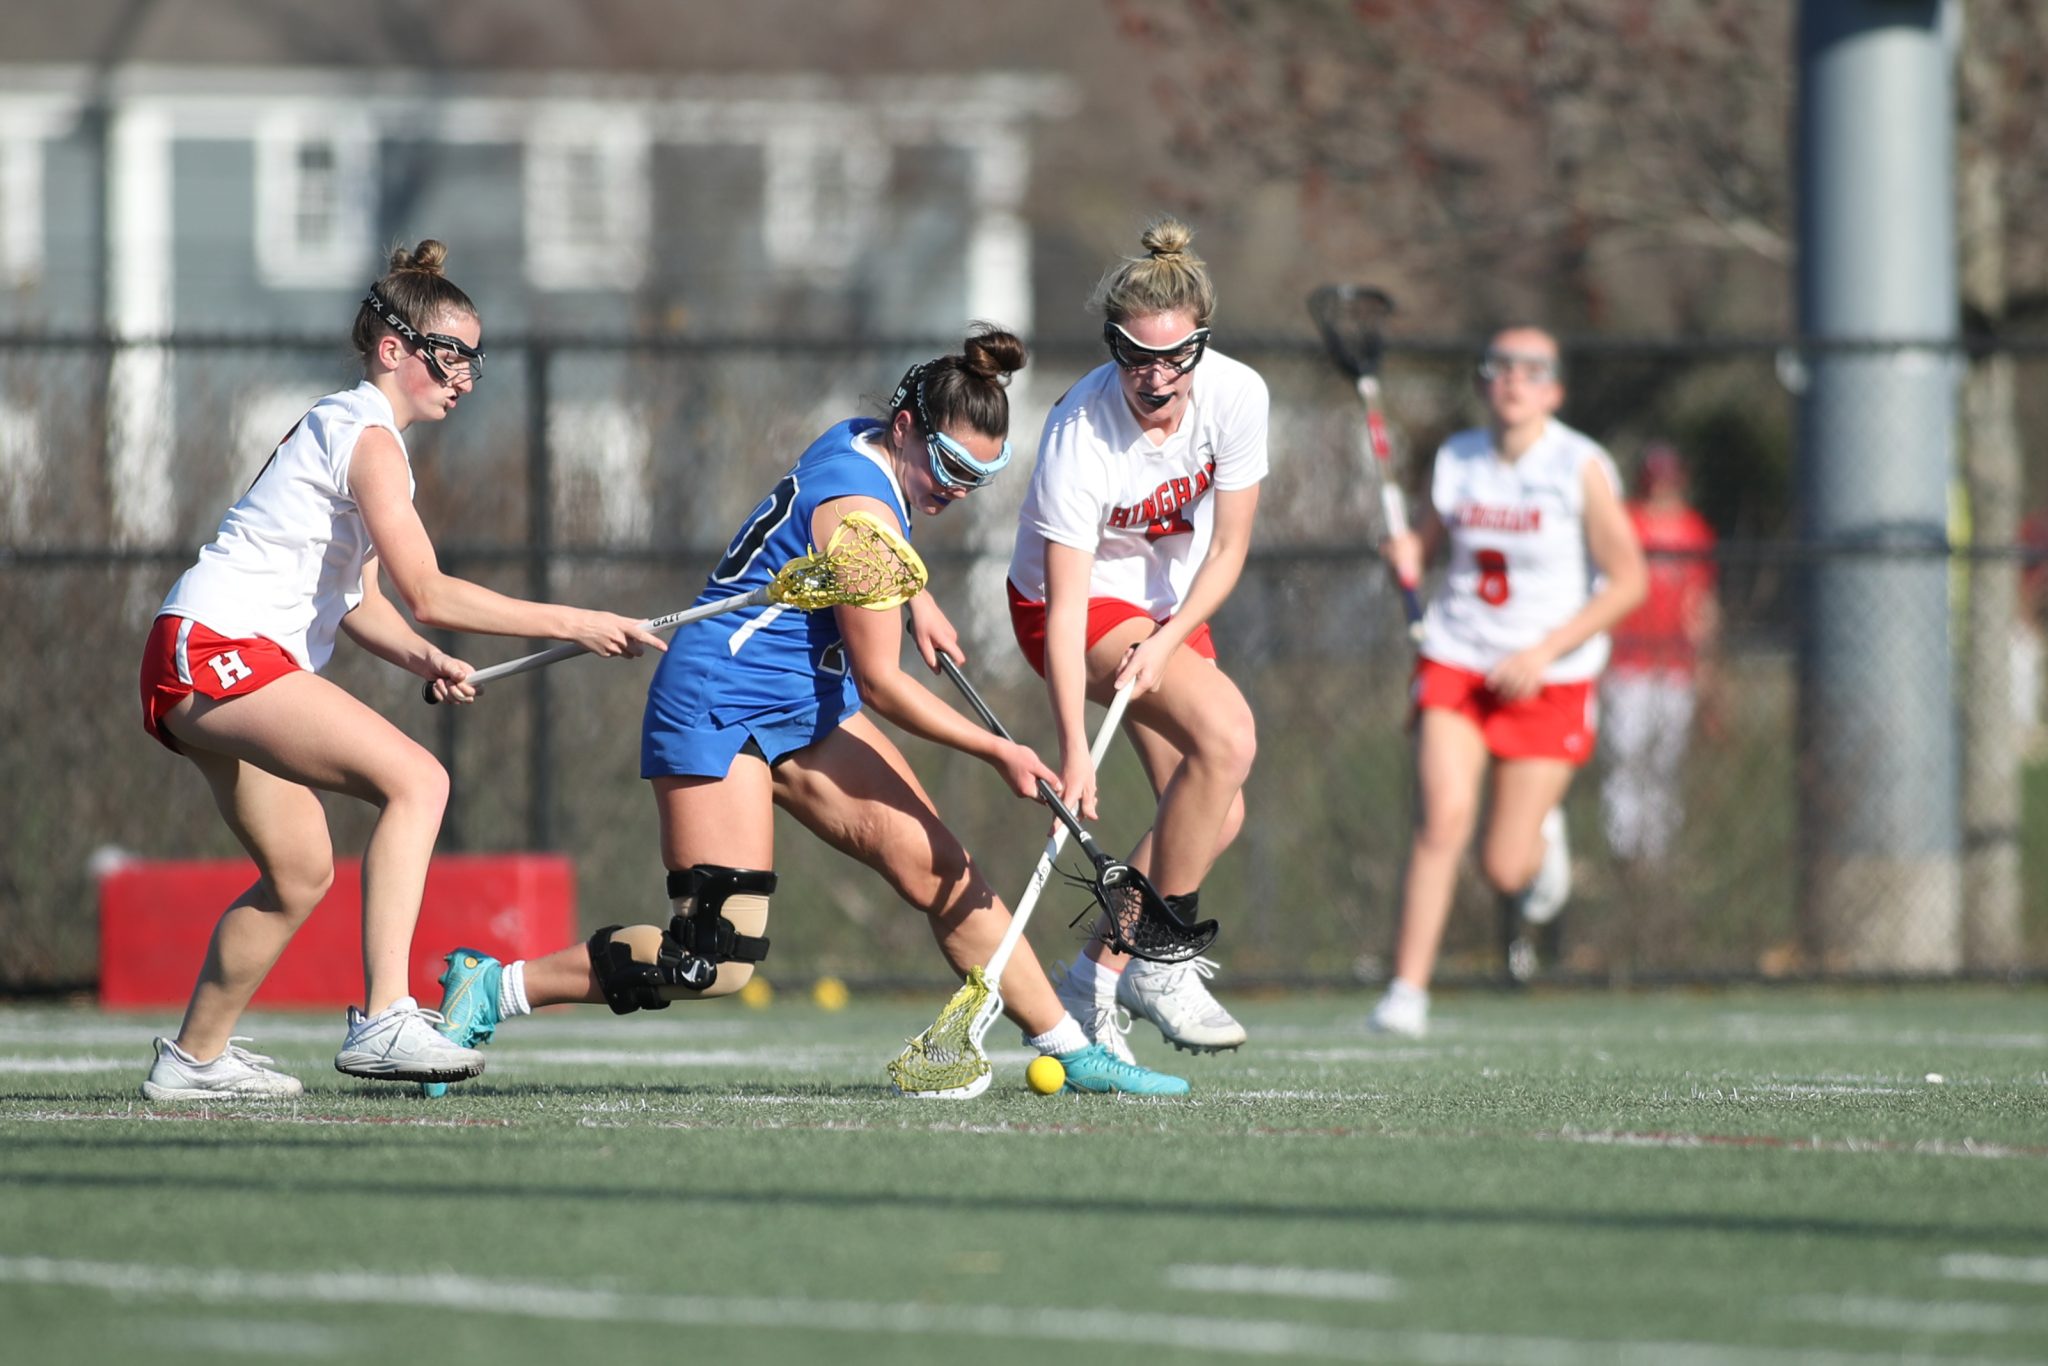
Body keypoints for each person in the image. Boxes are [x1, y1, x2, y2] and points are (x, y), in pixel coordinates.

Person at [423, 326, 1189, 1098]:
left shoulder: (858, 439)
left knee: (945, 871)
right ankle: (495, 988)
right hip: (719, 703)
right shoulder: (866, 521)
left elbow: (855, 533)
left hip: (806, 702)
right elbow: (882, 683)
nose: (958, 489)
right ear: (906, 428)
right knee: (712, 958)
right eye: (950, 466)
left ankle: (1070, 1048)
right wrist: (1001, 751)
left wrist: (915, 596)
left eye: (979, 477)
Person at [136, 241, 667, 1101]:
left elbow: (362, 602)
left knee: (299, 873)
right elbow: (430, 590)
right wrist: (581, 619)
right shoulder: (369, 439)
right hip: (217, 650)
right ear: (394, 348)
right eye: (452, 355)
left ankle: (191, 1061)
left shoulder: (356, 433)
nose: (465, 378)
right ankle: (385, 1016)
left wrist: (429, 658)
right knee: (418, 781)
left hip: (205, 652)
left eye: (473, 360)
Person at [1006, 218, 1263, 1063]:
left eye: (1175, 357)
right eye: (1134, 356)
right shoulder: (1079, 435)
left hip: (1168, 609)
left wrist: (1170, 639)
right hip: (1066, 611)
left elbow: (1227, 551)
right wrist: (1074, 749)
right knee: (1230, 735)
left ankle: (1092, 979)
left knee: (1216, 812)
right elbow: (1065, 608)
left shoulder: (1237, 396)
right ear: (1112, 346)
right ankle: (1162, 954)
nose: (1155, 377)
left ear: (1201, 344)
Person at [1367, 326, 1645, 1038]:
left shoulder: (1580, 466)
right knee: (1442, 819)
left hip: (1549, 676)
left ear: (1555, 390)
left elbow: (1629, 581)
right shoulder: (1458, 458)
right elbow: (1427, 544)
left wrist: (1543, 653)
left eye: (1533, 369)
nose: (1515, 379)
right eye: (1502, 366)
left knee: (1503, 867)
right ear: (1484, 382)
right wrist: (1408, 553)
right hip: (1457, 658)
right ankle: (1406, 991)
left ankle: (1541, 839)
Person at [1600, 442, 1719, 869]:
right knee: (1625, 757)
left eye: (1669, 478)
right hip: (1628, 661)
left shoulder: (1694, 530)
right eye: (1656, 478)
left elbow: (1699, 602)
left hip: (1675, 664)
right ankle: (1624, 849)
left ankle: (1658, 851)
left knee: (1665, 761)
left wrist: (1706, 665)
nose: (1662, 488)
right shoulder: (1625, 522)